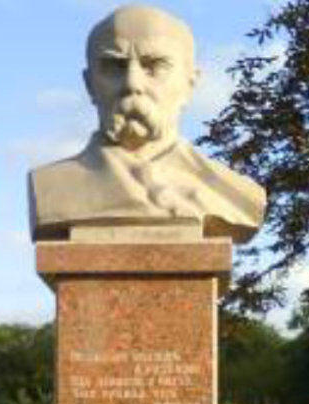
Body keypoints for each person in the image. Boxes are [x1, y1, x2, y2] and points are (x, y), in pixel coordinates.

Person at [29, 4, 265, 241]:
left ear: (190, 84)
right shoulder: (52, 188)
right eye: (114, 66)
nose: (133, 83)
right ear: (90, 84)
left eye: (155, 66)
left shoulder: (234, 196)